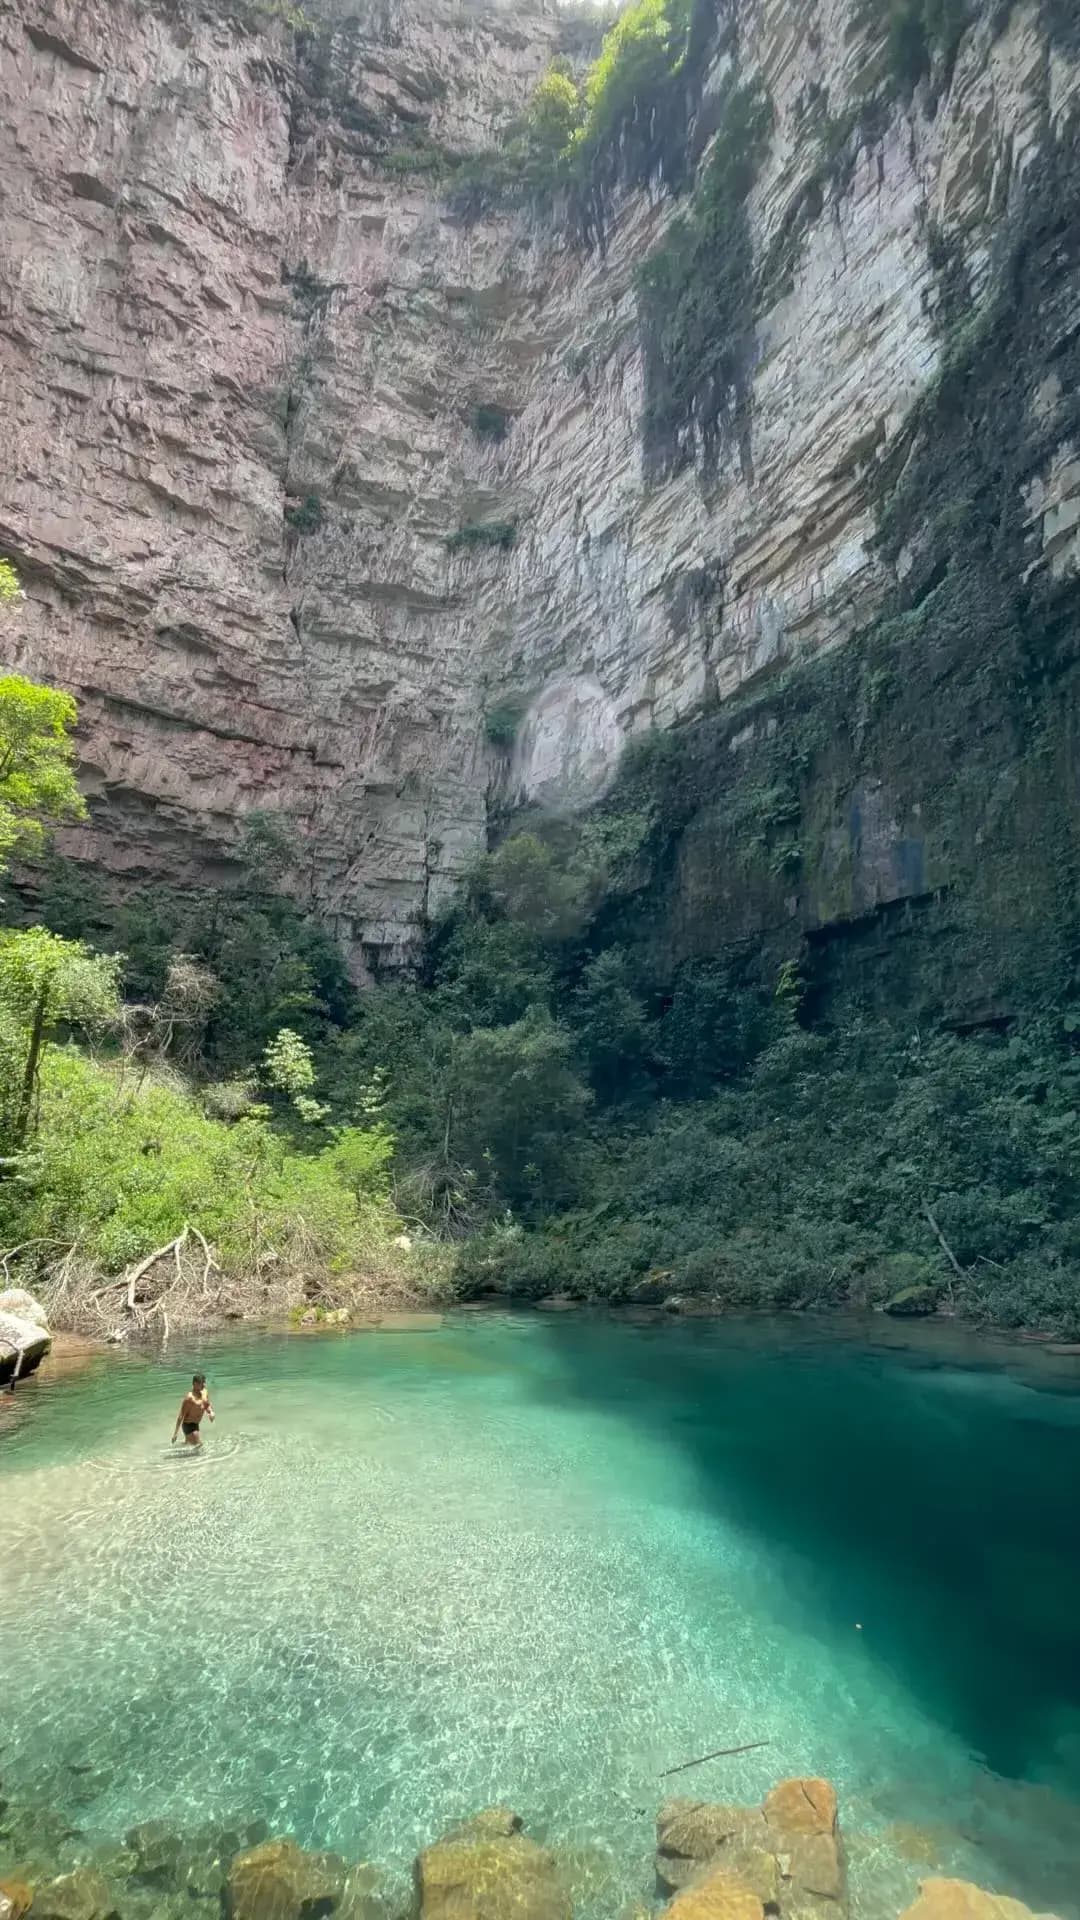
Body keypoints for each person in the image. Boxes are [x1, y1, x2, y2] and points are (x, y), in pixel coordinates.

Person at [172, 1372, 215, 1446]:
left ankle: (178, 1451)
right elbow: (181, 1416)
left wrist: (210, 1412)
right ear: (195, 1384)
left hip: (196, 1424)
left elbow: (207, 1404)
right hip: (188, 1425)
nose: (204, 1385)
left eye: (204, 1382)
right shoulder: (189, 1398)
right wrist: (175, 1434)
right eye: (202, 1383)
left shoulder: (204, 1392)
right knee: (199, 1445)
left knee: (189, 1445)